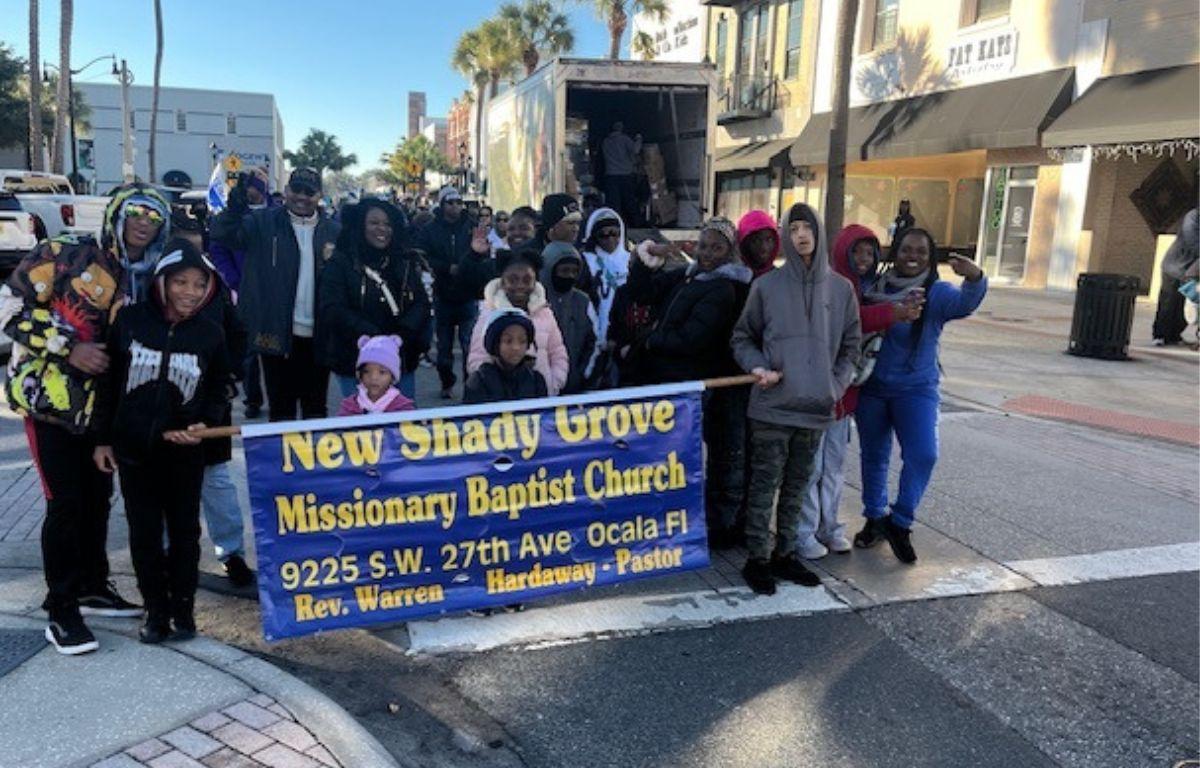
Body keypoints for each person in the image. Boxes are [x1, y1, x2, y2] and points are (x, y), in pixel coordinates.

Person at [0, 183, 168, 654]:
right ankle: (61, 609)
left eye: (154, 216)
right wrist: (68, 346)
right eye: (135, 211)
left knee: (98, 500)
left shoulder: (151, 275)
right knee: (65, 505)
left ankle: (93, 586)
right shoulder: (65, 252)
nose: (143, 222)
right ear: (115, 213)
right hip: (48, 404)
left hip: (105, 415)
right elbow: (9, 306)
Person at [94, 239, 232, 644]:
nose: (189, 291)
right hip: (135, 452)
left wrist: (204, 423)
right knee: (144, 533)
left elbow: (220, 387)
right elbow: (108, 384)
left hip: (184, 454)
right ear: (162, 282)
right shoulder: (131, 321)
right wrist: (103, 440)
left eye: (199, 284)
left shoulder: (210, 333)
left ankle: (183, 610)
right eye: (181, 282)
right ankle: (155, 611)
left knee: (186, 533)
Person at [731, 203, 862, 595]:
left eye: (808, 227)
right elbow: (742, 337)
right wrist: (757, 367)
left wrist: (834, 386)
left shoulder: (840, 289)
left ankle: (786, 554)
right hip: (772, 405)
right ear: (785, 235)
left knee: (798, 487)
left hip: (816, 409)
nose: (801, 235)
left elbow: (851, 345)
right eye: (794, 227)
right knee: (764, 485)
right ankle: (757, 558)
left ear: (820, 232)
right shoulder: (766, 286)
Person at [854, 228, 986, 564]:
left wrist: (975, 277)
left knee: (923, 453)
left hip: (917, 389)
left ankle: (900, 521)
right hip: (873, 388)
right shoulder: (874, 289)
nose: (913, 256)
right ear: (895, 253)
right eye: (906, 249)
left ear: (931, 258)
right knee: (874, 455)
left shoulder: (936, 293)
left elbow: (965, 303)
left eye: (922, 252)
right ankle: (874, 517)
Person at [797, 224, 924, 560]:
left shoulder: (866, 286)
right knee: (812, 468)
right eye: (857, 251)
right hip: (818, 392)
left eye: (870, 252)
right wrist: (894, 313)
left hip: (845, 395)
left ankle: (829, 527)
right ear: (842, 251)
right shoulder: (829, 283)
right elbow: (848, 322)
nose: (864, 259)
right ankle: (804, 531)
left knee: (834, 466)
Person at [631, 219, 752, 544]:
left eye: (717, 247)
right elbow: (642, 292)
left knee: (688, 456)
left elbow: (692, 338)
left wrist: (651, 339)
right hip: (668, 379)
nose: (708, 253)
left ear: (730, 251)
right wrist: (648, 256)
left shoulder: (724, 287)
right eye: (704, 245)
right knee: (667, 455)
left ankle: (707, 523)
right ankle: (672, 518)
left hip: (693, 382)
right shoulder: (688, 275)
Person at [210, 167, 340, 422]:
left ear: (319, 195)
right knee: (281, 412)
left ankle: (313, 461)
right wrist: (234, 207)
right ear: (287, 191)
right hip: (276, 333)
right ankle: (283, 462)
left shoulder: (334, 231)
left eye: (309, 192)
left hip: (319, 336)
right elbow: (222, 235)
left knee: (316, 410)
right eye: (297, 190)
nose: (302, 197)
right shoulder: (261, 222)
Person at [171, 216, 254, 587]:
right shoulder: (147, 292)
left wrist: (228, 376)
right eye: (179, 246)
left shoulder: (214, 287)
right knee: (165, 490)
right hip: (166, 413)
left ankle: (231, 553)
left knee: (218, 485)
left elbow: (238, 335)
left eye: (195, 245)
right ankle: (167, 556)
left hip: (210, 411)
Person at [318, 199, 430, 402]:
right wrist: (374, 337)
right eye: (374, 223)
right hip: (355, 360)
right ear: (361, 225)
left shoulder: (404, 261)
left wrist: (403, 334)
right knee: (361, 429)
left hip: (400, 358)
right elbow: (332, 309)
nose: (382, 229)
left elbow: (421, 304)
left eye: (387, 224)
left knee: (401, 427)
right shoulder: (340, 263)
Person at [210, 168, 272, 420]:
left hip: (274, 293)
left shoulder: (276, 212)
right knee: (249, 352)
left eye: (256, 188)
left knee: (274, 349)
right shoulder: (233, 215)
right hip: (243, 292)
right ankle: (253, 398)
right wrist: (234, 280)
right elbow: (218, 248)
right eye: (249, 188)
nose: (252, 193)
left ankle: (278, 397)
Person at [467, 249, 569, 396]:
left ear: (535, 282)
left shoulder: (544, 312)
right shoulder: (489, 314)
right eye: (513, 279)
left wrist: (552, 385)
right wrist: (492, 388)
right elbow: (477, 358)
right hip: (501, 401)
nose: (520, 285)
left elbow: (558, 353)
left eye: (527, 280)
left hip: (541, 398)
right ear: (502, 281)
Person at [416, 187, 480, 399]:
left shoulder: (471, 227)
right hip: (443, 296)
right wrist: (445, 268)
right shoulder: (430, 229)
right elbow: (423, 256)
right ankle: (447, 381)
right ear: (442, 205)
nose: (455, 207)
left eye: (458, 202)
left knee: (469, 346)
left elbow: (481, 252)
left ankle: (470, 388)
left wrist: (468, 267)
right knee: (443, 351)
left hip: (467, 296)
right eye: (450, 202)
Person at [540, 242, 597, 394]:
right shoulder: (534, 299)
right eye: (564, 271)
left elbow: (594, 342)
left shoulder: (583, 301)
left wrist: (583, 374)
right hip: (540, 389)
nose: (570, 276)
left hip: (575, 387)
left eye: (574, 271)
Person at [463, 308, 548, 404]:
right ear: (495, 345)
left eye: (522, 341)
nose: (516, 347)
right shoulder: (478, 382)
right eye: (508, 341)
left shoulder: (537, 381)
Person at [579, 206, 632, 343]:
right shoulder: (586, 261)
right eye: (603, 234)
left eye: (614, 233)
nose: (610, 239)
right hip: (595, 327)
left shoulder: (631, 260)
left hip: (625, 328)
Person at [336, 335, 415, 415]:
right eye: (366, 371)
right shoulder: (350, 405)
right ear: (360, 375)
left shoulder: (403, 407)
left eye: (382, 372)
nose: (374, 377)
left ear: (393, 377)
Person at [1153, 208, 1198, 346]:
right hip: (1174, 267)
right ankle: (1160, 335)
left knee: (1186, 303)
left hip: (1191, 270)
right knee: (1168, 303)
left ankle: (1174, 335)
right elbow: (1193, 242)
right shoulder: (1193, 217)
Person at [601, 122, 642, 225]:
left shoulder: (605, 141)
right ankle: (637, 223)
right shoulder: (624, 139)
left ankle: (614, 224)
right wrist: (639, 139)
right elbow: (636, 150)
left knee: (613, 203)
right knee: (630, 201)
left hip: (610, 175)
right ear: (621, 128)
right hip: (625, 175)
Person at [737, 210, 780, 280]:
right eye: (756, 241)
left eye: (769, 240)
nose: (764, 247)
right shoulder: (734, 278)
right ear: (744, 242)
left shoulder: (780, 278)